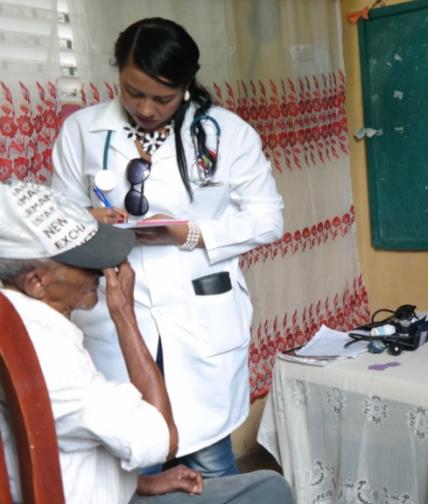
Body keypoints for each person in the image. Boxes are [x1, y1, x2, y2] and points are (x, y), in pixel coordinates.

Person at [50, 18, 284, 477]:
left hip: (199, 314)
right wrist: (85, 221)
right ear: (118, 73)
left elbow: (267, 218)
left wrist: (189, 233)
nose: (146, 108)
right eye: (133, 92)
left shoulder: (225, 133)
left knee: (209, 465)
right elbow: (54, 221)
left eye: (163, 98)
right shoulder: (81, 131)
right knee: (132, 467)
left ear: (186, 86)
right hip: (115, 317)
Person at [0, 181, 292, 504]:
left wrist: (141, 482)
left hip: (98, 488)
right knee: (271, 490)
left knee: (262, 486)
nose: (102, 272)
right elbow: (162, 437)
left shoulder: (14, 317)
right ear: (36, 282)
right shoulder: (49, 357)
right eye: (86, 263)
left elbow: (64, 449)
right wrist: (125, 315)